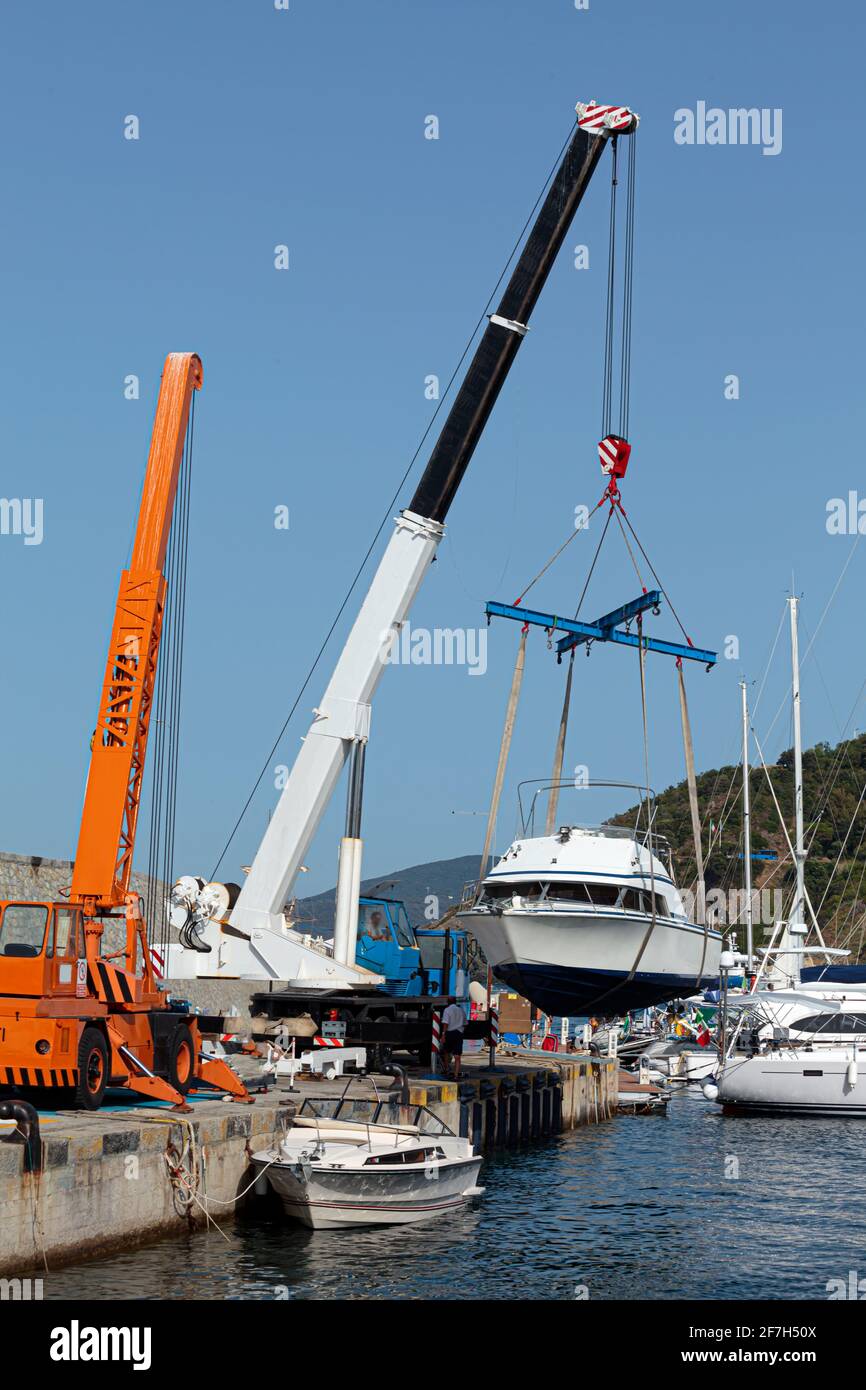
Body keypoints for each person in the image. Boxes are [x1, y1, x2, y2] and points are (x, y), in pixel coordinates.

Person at [440, 996, 467, 1079]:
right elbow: (465, 1023)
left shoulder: (447, 1010)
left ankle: (446, 1069)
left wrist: (443, 1034)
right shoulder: (461, 1010)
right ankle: (455, 1076)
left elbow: (445, 1023)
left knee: (446, 1052)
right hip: (459, 1033)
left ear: (448, 1002)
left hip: (449, 1033)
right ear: (455, 1002)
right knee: (457, 1056)